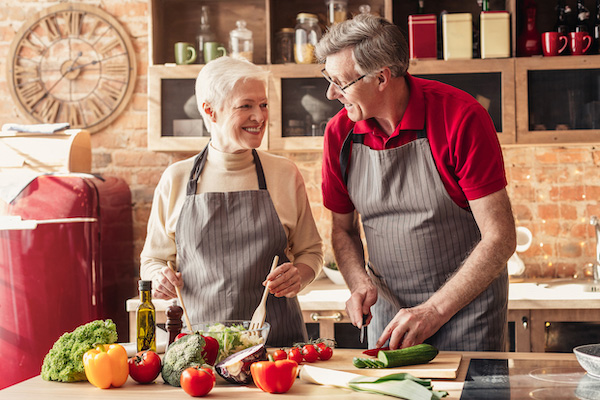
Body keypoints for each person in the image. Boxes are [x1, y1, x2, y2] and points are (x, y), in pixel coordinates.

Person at [315, 14, 516, 351]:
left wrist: (434, 310)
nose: (331, 93)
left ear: (381, 77)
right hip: (388, 316)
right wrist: (358, 282)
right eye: (328, 77)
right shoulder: (340, 133)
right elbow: (343, 230)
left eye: (341, 82)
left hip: (467, 314)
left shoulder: (461, 118)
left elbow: (500, 237)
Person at [140, 56, 323, 346]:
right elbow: (152, 260)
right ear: (210, 111)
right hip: (201, 349)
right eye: (246, 106)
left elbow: (311, 251)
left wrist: (299, 274)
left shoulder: (285, 173)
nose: (260, 117)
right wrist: (158, 279)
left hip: (277, 349)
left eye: (263, 105)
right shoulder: (175, 179)